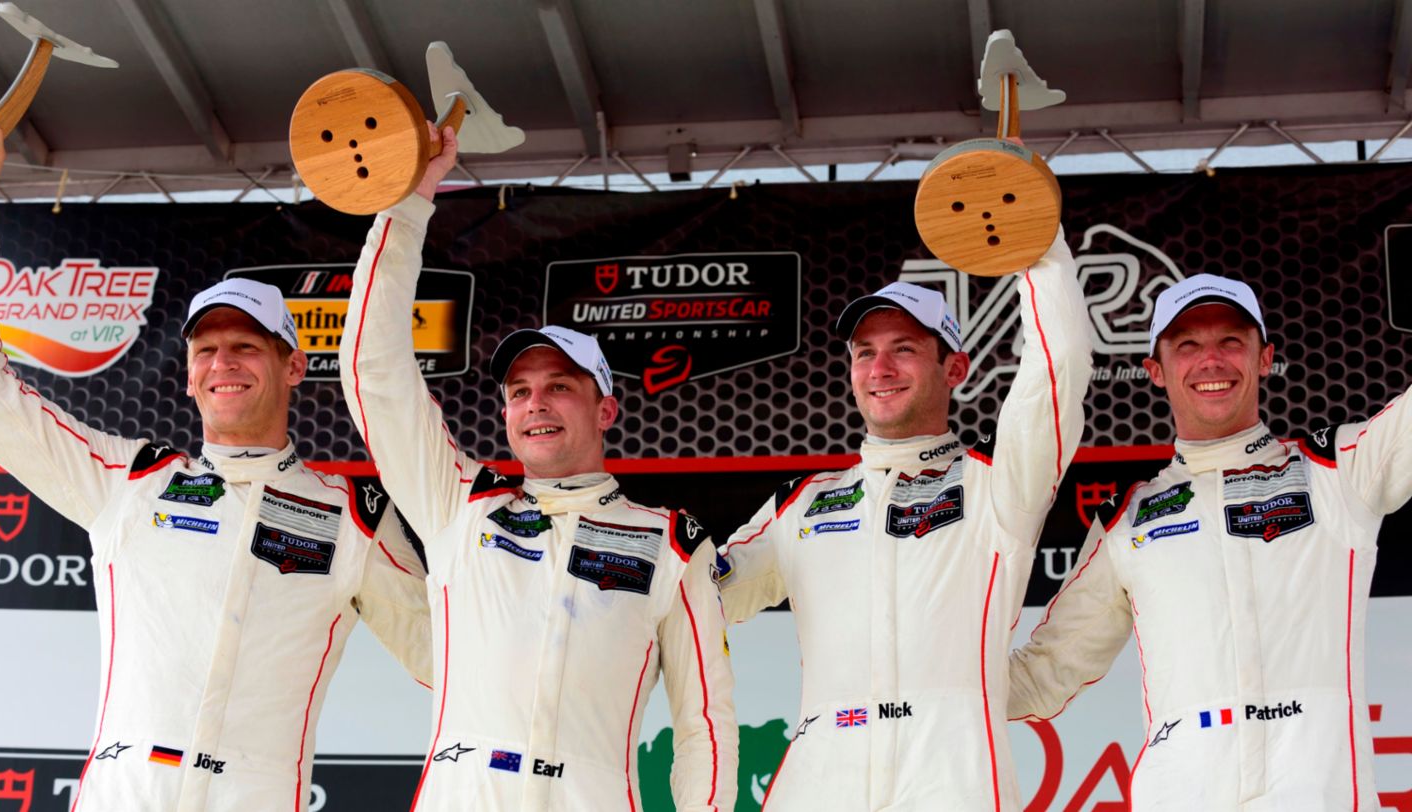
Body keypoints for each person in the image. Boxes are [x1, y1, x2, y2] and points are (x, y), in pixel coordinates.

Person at [0, 112, 431, 812]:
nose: (223, 363)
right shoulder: (130, 481)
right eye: (206, 350)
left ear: (293, 366)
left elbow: (451, 664)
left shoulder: (354, 520)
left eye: (246, 346)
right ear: (187, 376)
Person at [337, 124, 736, 812]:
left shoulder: (671, 542)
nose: (535, 404)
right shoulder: (460, 505)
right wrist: (409, 201)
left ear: (605, 408)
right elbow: (373, 369)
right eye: (519, 391)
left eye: (559, 386)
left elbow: (705, 726)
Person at [716, 231, 1093, 808]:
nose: (881, 368)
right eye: (865, 352)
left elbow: (1057, 369)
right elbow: (703, 597)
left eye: (904, 349)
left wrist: (1039, 245)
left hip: (951, 781)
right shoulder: (805, 503)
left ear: (955, 368)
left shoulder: (997, 483)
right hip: (820, 784)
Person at [1007, 274, 1411, 808]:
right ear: (1155, 370)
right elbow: (1044, 675)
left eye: (1231, 341)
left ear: (1265, 358)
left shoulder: (1337, 473)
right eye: (1188, 345)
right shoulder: (1128, 520)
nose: (1211, 361)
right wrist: (921, 689)